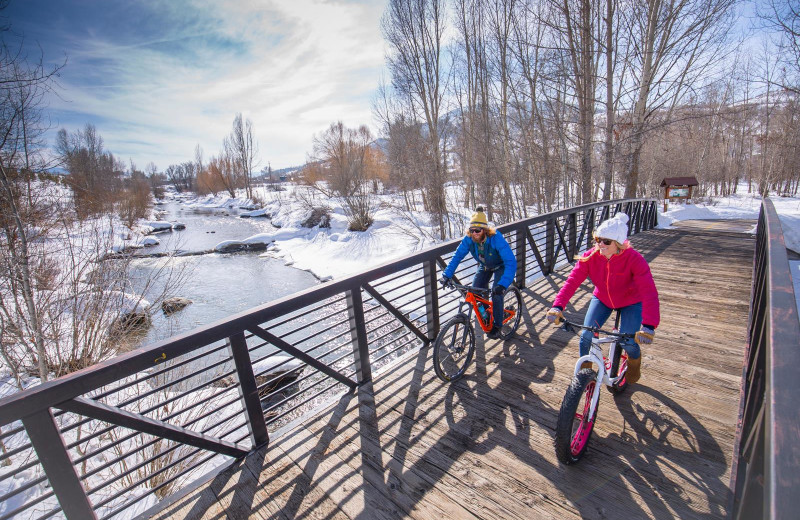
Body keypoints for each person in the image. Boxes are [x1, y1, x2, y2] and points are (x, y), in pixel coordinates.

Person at [546, 213, 659, 384]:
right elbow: (572, 281)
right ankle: (585, 378)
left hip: (631, 301)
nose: (600, 244)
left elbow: (649, 291)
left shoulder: (635, 259)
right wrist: (557, 306)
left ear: (619, 242)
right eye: (598, 239)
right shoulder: (591, 256)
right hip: (603, 298)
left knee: (628, 342)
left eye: (606, 241)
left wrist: (649, 325)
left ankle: (634, 362)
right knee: (586, 337)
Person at [439, 207, 517, 339]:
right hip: (485, 266)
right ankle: (487, 316)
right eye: (471, 230)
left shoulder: (495, 238)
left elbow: (511, 262)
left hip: (500, 266)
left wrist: (502, 285)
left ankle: (497, 326)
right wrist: (447, 275)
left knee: (496, 294)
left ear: (485, 230)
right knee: (475, 293)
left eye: (478, 230)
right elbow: (457, 256)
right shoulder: (469, 239)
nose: (474, 233)